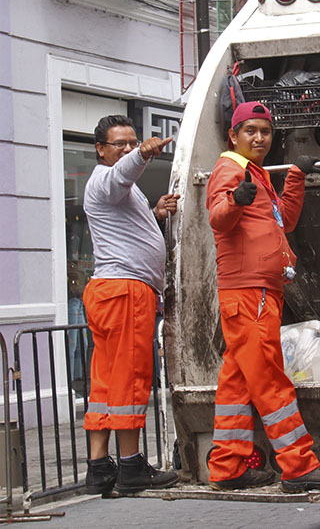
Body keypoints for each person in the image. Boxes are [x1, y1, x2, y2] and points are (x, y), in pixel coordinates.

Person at [205, 101, 320, 492]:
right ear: (233, 135)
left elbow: (284, 219)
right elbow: (217, 216)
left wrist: (298, 176)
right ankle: (298, 466)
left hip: (257, 291)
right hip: (249, 293)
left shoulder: (254, 174)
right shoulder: (230, 169)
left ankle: (227, 467)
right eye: (250, 131)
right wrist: (236, 200)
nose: (259, 138)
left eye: (265, 132)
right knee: (270, 378)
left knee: (237, 383)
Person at [82, 115, 180, 495]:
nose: (125, 148)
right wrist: (140, 152)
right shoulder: (107, 178)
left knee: (105, 382)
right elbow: (122, 173)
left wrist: (155, 214)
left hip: (109, 290)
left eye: (131, 141)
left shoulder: (119, 189)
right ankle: (132, 466)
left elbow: (125, 224)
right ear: (100, 150)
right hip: (125, 292)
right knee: (130, 378)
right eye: (118, 143)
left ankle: (99, 467)